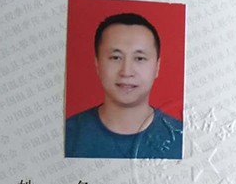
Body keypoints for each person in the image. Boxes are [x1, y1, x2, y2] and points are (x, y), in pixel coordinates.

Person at [65, 13, 183, 159]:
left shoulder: (181, 137)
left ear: (157, 66)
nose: (126, 72)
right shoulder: (68, 135)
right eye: (116, 57)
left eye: (139, 58)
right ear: (97, 64)